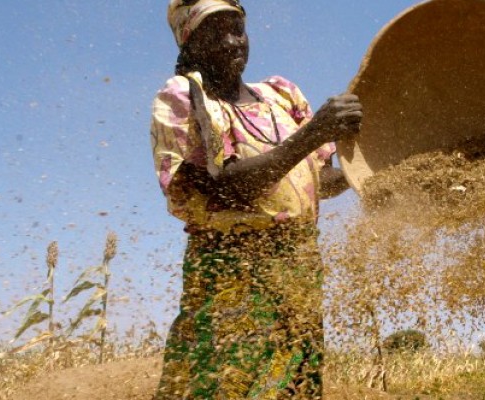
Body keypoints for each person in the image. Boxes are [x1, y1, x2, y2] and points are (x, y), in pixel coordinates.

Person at [150, 0, 362, 398]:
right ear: (190, 44)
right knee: (226, 379)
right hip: (231, 262)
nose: (233, 41)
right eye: (217, 32)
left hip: (298, 263)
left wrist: (366, 178)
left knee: (294, 383)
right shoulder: (183, 97)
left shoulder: (280, 95)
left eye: (238, 29)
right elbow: (227, 188)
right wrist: (313, 134)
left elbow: (316, 180)